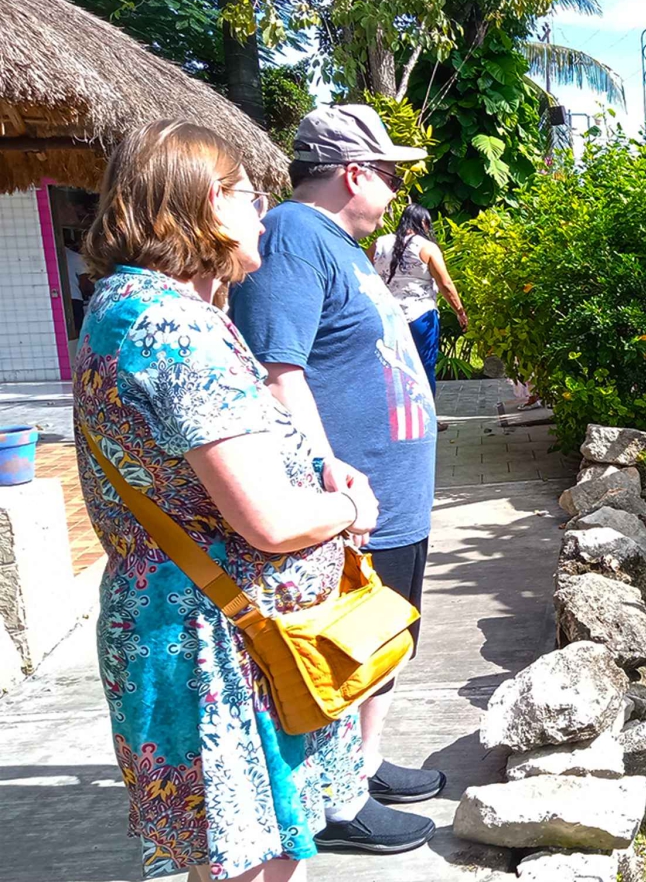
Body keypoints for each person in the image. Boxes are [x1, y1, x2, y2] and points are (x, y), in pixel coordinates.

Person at [71, 120, 421, 882]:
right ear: (203, 203)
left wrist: (318, 469)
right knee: (250, 864)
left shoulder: (131, 306)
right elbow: (266, 520)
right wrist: (349, 510)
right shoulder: (171, 325)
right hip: (214, 649)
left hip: (204, 626)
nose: (261, 212)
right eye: (246, 193)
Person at [228, 104, 444, 852]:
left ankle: (367, 762)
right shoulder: (293, 235)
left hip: (392, 490)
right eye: (388, 173)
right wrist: (327, 476)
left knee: (383, 635)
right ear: (354, 173)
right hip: (349, 498)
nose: (394, 188)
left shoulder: (347, 245)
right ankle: (336, 798)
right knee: (341, 643)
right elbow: (277, 368)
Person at [368, 202, 468, 412]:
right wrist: (460, 311)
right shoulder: (427, 247)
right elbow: (446, 284)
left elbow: (364, 276)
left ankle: (394, 418)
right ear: (423, 222)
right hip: (421, 316)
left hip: (386, 316)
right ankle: (426, 419)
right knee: (424, 367)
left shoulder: (379, 243)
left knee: (390, 369)